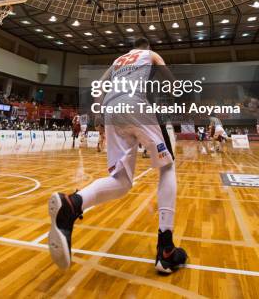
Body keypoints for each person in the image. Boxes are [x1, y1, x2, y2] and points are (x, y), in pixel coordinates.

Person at [48, 37, 187, 274]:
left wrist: (99, 113)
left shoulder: (118, 60)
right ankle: (166, 249)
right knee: (167, 166)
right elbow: (171, 82)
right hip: (134, 105)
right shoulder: (150, 56)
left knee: (121, 182)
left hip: (112, 110)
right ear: (148, 47)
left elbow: (98, 89)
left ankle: (73, 204)